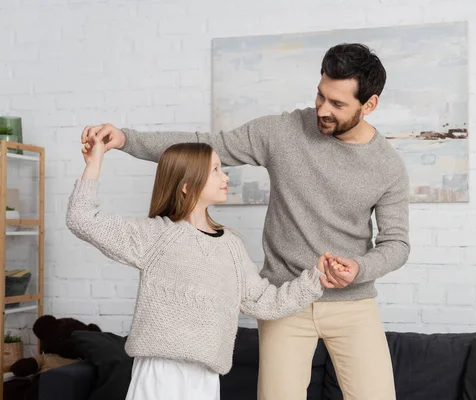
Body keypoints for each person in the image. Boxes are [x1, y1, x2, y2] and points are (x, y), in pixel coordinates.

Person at [81, 43, 410, 400]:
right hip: (283, 299)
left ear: (370, 105)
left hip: (353, 303)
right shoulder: (282, 132)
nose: (322, 109)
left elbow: (397, 244)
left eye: (338, 104)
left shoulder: (388, 166)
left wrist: (358, 268)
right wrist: (127, 139)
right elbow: (204, 146)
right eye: (320, 95)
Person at [66, 137, 330, 400]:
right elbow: (81, 218)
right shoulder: (156, 235)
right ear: (186, 185)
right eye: (215, 170)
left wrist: (317, 277)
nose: (225, 177)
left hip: (205, 377)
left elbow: (264, 302)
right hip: (160, 372)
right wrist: (95, 161)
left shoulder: (231, 247)